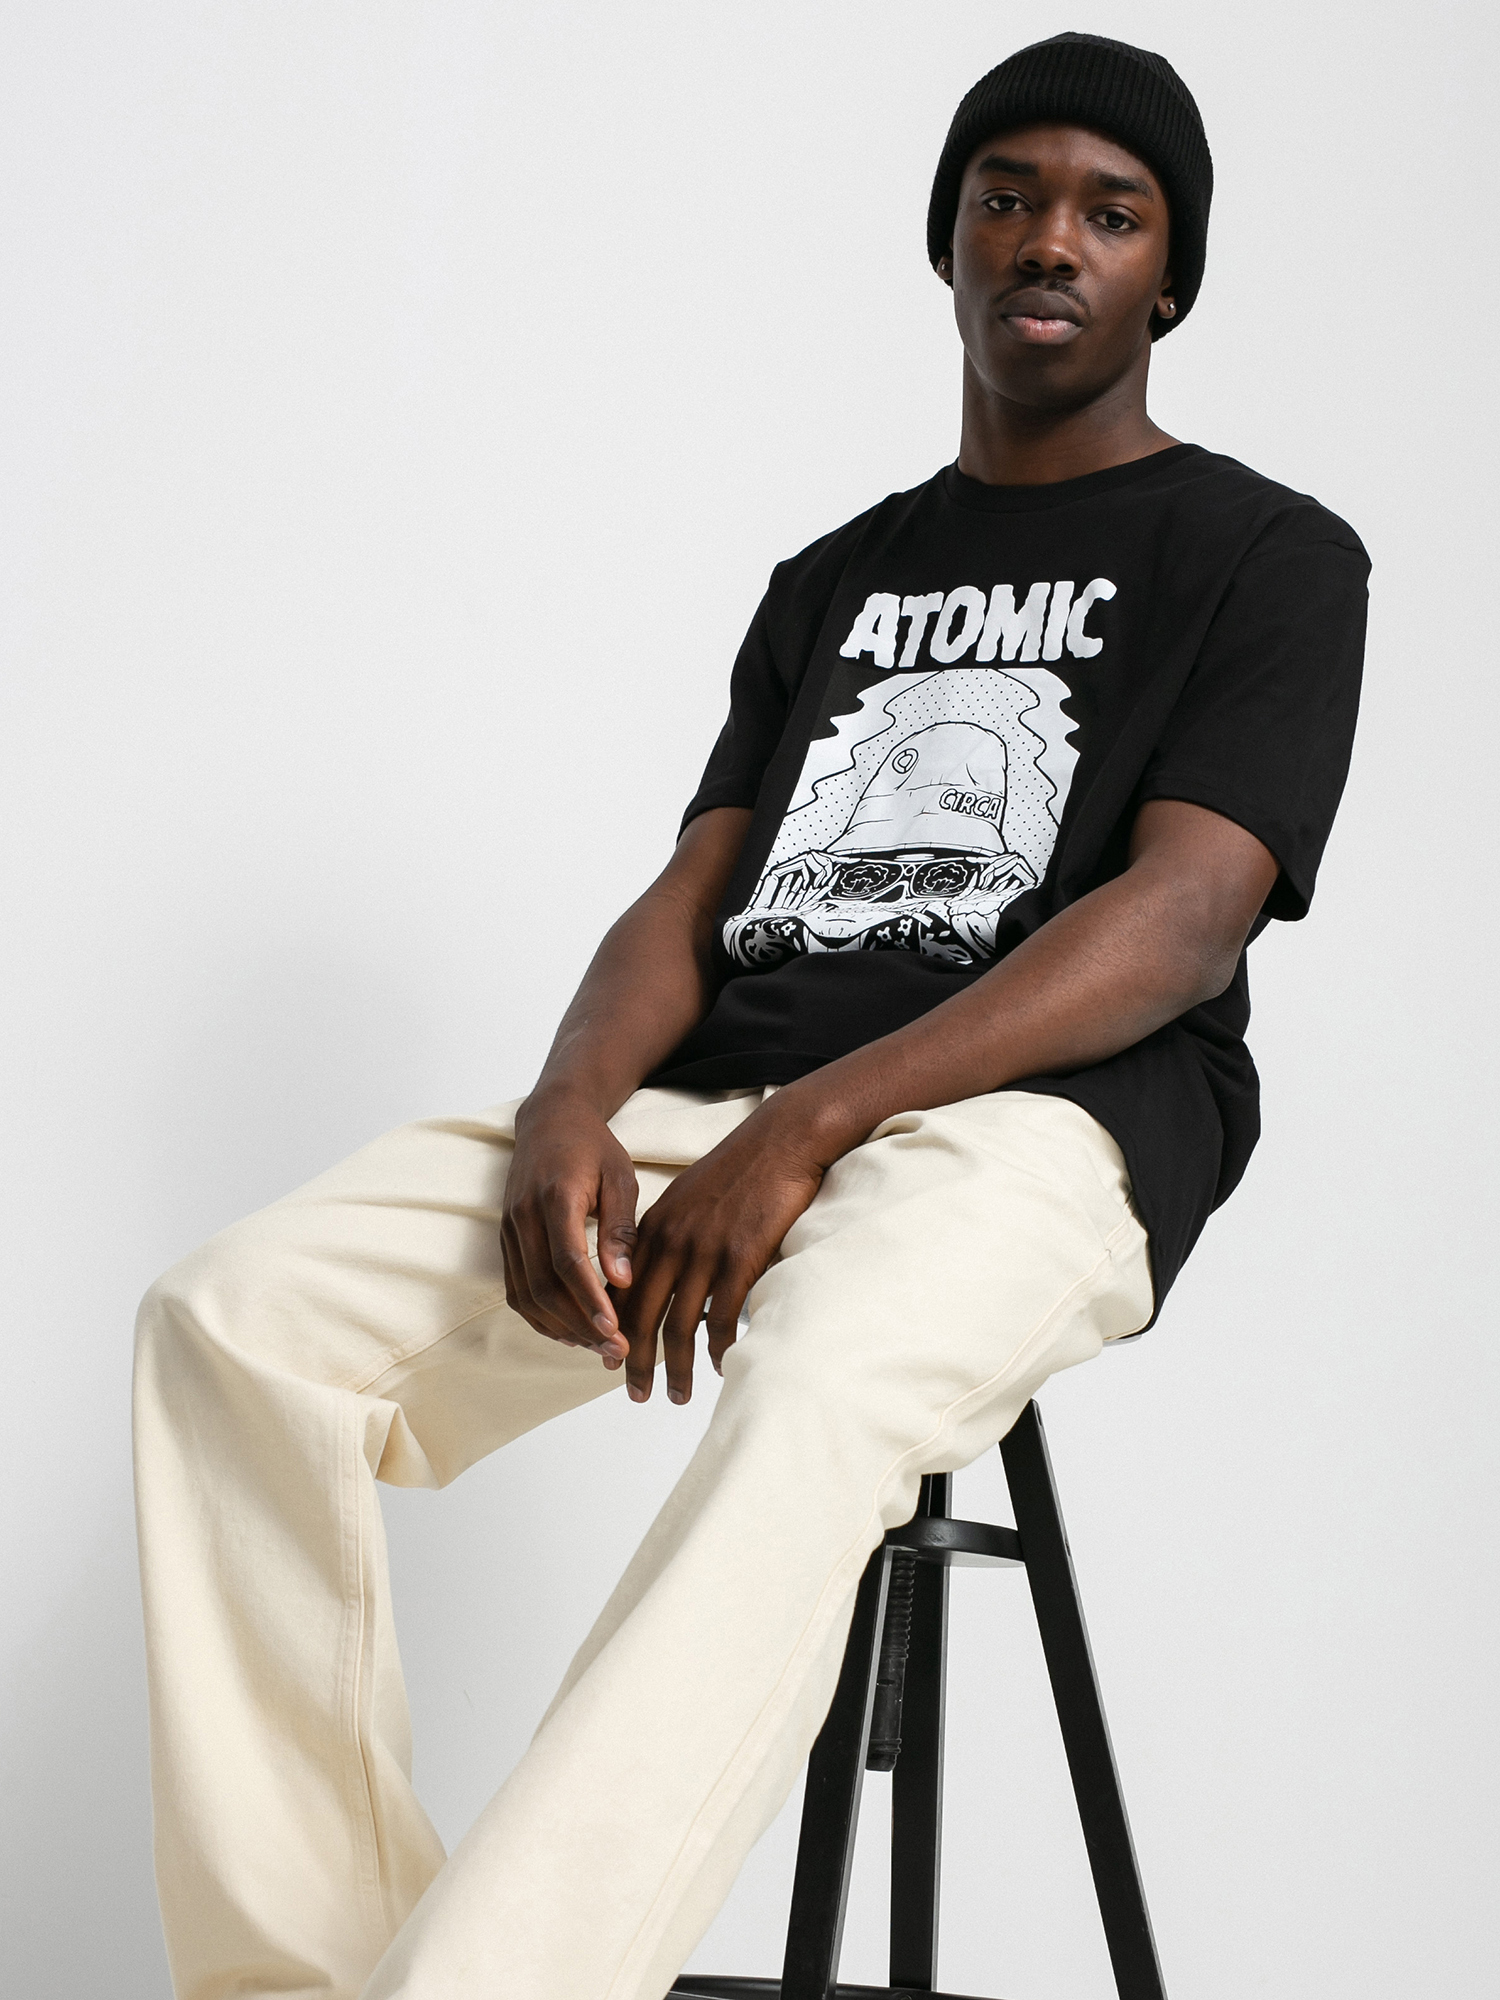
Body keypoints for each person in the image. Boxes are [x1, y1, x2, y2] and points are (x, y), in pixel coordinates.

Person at [133, 32, 1368, 2000]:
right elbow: (698, 895)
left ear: (1171, 276)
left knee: (814, 1390)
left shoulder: (1266, 555)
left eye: (1111, 212)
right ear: (948, 241)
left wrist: (813, 1127)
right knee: (239, 1326)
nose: (1050, 238)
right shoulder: (837, 578)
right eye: (1007, 195)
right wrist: (569, 1106)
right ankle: (307, 1974)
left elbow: (1185, 919)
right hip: (735, 1098)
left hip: (1048, 1123)